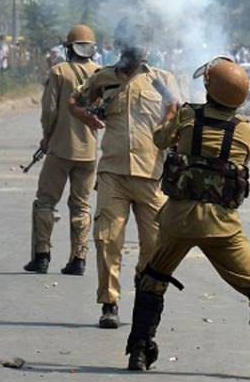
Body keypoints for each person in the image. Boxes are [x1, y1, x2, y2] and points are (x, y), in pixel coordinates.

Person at [124, 57, 250, 381]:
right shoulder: (247, 131)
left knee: (152, 279)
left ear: (209, 87)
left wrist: (173, 115)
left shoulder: (188, 116)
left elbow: (160, 141)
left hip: (177, 220)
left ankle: (139, 349)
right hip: (222, 226)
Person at [70, 18, 178, 329]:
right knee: (108, 239)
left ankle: (144, 294)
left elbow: (178, 113)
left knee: (155, 245)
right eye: (133, 45)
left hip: (152, 175)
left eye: (143, 45)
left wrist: (170, 120)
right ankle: (110, 303)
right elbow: (74, 102)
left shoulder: (162, 80)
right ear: (121, 48)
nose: (140, 51)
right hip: (112, 173)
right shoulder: (103, 78)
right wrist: (87, 117)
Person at [23, 24, 101, 276]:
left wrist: (46, 136)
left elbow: (50, 110)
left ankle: (42, 256)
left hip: (59, 148)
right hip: (88, 151)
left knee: (46, 201)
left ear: (69, 48)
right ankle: (79, 258)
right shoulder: (100, 74)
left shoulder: (59, 71)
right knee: (81, 206)